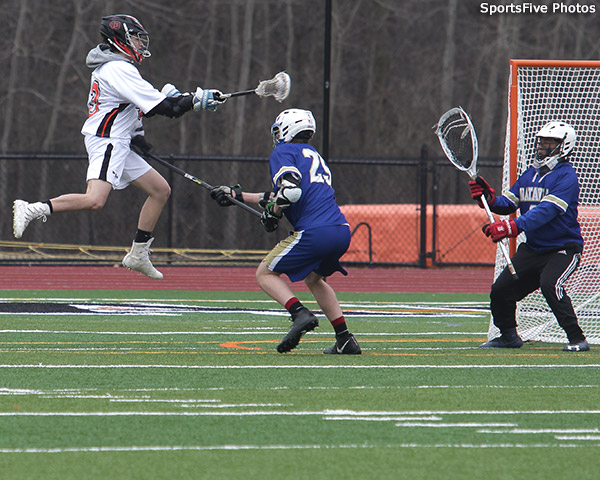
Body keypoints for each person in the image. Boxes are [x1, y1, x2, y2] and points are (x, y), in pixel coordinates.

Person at [12, 14, 226, 280]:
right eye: (136, 37)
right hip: (108, 140)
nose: (139, 43)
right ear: (120, 39)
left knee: (160, 190)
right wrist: (194, 101)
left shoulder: (114, 67)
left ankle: (138, 254)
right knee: (94, 200)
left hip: (118, 140)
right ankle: (32, 209)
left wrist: (155, 122)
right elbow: (165, 109)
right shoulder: (118, 69)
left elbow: (135, 107)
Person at [210, 108, 361, 354]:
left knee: (265, 274)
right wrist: (238, 195)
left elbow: (290, 192)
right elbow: (284, 194)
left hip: (316, 232)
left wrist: (273, 213)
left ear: (287, 129)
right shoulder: (313, 155)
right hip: (340, 229)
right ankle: (345, 339)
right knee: (314, 279)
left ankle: (299, 314)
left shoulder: (283, 151)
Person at [469, 120, 589, 352]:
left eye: (550, 142)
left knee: (550, 284)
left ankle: (577, 339)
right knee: (501, 290)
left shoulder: (567, 177)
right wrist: (488, 198)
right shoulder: (529, 175)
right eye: (542, 141)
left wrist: (510, 227)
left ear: (564, 146)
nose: (543, 146)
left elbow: (546, 212)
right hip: (533, 248)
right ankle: (508, 336)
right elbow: (508, 203)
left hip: (562, 248)